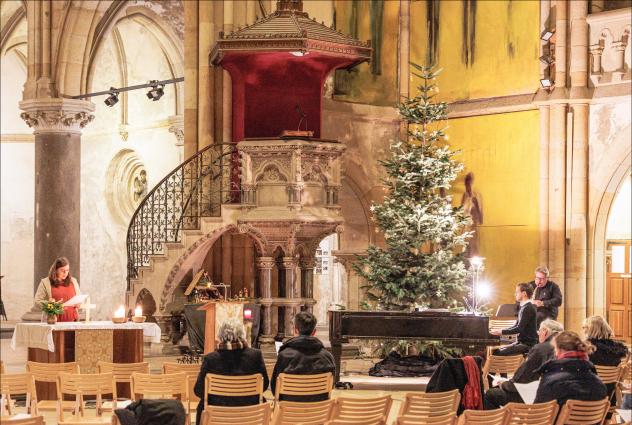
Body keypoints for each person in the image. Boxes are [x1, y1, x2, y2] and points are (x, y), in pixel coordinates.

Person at [193, 318, 269, 425]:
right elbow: (264, 385)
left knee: (203, 404)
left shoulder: (210, 359)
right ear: (242, 333)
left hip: (217, 415)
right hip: (250, 413)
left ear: (220, 335)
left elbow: (199, 390)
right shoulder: (256, 355)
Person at [484, 319, 563, 409]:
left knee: (490, 394)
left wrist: (504, 383)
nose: (538, 334)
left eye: (539, 330)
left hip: (538, 398)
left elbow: (521, 379)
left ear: (545, 332)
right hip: (557, 398)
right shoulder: (566, 349)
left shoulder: (540, 349)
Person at [271, 311, 336, 402]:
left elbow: (275, 388)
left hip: (289, 409)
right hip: (319, 410)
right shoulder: (327, 356)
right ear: (314, 332)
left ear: (295, 330)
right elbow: (331, 386)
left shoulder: (285, 355)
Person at [533, 331, 607, 405]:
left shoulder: (551, 382)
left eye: (555, 349)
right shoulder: (599, 383)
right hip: (591, 416)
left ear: (559, 350)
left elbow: (537, 411)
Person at [582, 316, 629, 411]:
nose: (583, 330)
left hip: (589, 395)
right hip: (609, 396)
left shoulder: (586, 349)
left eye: (584, 327)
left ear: (590, 330)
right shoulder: (617, 350)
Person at [490, 283, 538, 356]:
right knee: (495, 350)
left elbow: (519, 329)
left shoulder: (528, 308)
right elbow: (516, 325)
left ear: (524, 293)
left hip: (527, 345)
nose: (515, 294)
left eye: (517, 292)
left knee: (497, 353)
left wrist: (502, 332)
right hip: (521, 343)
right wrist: (501, 331)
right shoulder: (524, 307)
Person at [33, 257, 81, 322]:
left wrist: (79, 303)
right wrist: (52, 305)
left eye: (67, 270)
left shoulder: (73, 281)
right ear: (55, 270)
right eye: (62, 270)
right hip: (52, 321)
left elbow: (79, 298)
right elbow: (37, 300)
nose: (65, 272)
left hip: (72, 322)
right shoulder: (46, 282)